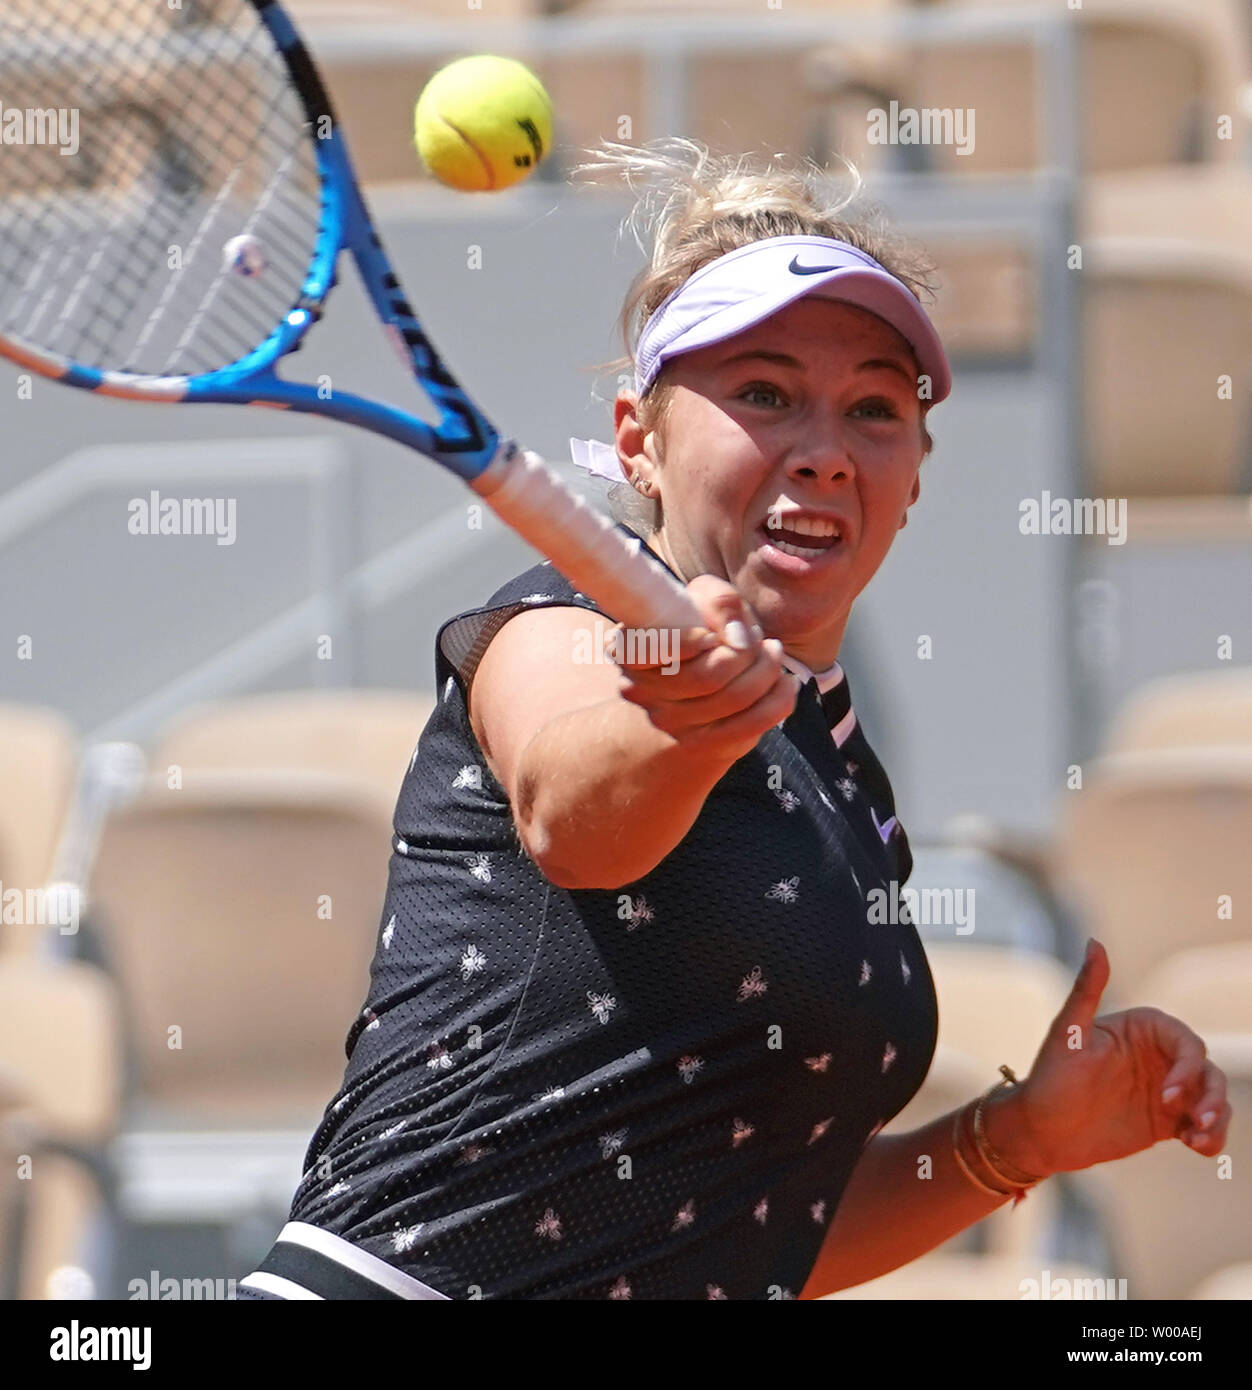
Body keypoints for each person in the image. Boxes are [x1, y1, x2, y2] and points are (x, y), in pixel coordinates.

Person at [235, 139, 1230, 1301]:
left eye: (872, 410)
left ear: (912, 476)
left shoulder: (846, 783)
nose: (824, 453)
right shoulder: (558, 629)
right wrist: (684, 723)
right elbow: (576, 811)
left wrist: (1012, 1141)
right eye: (762, 394)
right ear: (634, 441)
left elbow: (758, 1230)